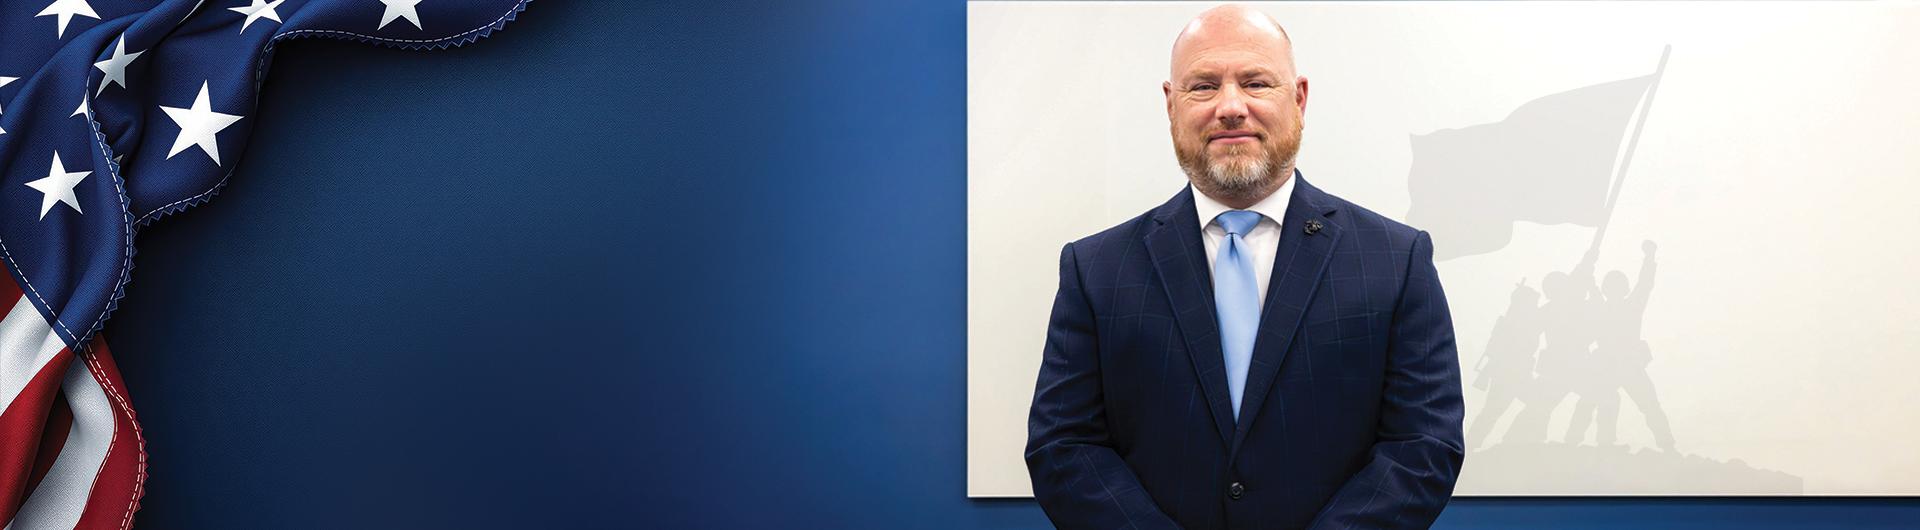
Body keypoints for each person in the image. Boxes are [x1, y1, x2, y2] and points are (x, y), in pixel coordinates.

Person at [1024, 5, 1465, 528]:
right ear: (1171, 105)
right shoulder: (1094, 269)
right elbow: (1064, 446)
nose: (1230, 107)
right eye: (1203, 86)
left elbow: (1424, 444)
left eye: (1255, 83)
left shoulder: (1396, 260)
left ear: (1298, 99)